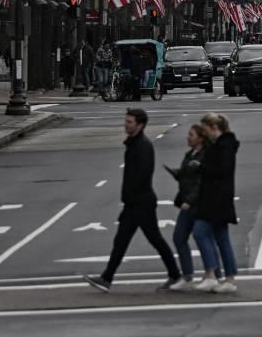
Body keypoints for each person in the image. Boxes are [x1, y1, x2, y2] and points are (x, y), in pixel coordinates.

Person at [84, 108, 182, 292]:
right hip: (136, 202)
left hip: (140, 203)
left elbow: (141, 175)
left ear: (140, 125)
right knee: (125, 241)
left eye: (129, 122)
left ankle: (175, 274)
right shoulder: (135, 143)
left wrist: (131, 199)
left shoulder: (142, 146)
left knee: (152, 240)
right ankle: (107, 278)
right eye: (126, 121)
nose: (125, 125)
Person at [193, 112, 240, 293]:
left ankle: (213, 274)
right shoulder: (220, 145)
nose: (204, 134)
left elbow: (223, 170)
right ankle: (227, 277)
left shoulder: (224, 146)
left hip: (218, 199)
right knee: (221, 238)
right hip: (216, 198)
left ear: (214, 128)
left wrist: (202, 167)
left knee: (200, 231)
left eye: (205, 130)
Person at [165, 124, 208, 290]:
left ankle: (212, 274)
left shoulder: (204, 156)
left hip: (197, 205)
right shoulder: (189, 155)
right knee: (179, 237)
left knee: (202, 238)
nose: (187, 137)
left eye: (191, 135)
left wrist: (189, 201)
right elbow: (188, 176)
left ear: (200, 138)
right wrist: (177, 173)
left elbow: (201, 183)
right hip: (187, 204)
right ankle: (188, 275)